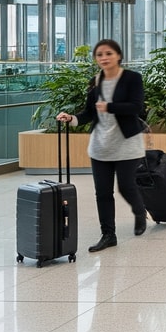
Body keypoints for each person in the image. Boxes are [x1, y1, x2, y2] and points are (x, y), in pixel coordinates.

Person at [55, 39, 148, 253]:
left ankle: (140, 211)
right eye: (99, 55)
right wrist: (71, 118)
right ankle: (108, 235)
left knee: (126, 186)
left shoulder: (132, 78)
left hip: (126, 144)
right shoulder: (95, 82)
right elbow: (89, 113)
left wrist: (110, 106)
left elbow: (136, 107)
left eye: (108, 53)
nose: (104, 58)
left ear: (118, 56)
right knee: (103, 193)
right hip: (100, 146)